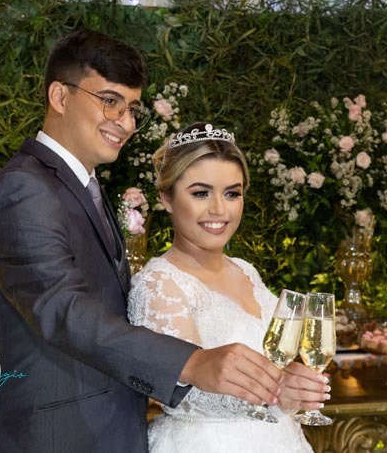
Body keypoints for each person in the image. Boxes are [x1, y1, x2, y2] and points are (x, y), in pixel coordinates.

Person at [0, 30, 326, 452]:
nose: (126, 122)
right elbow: (62, 309)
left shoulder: (82, 189)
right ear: (60, 97)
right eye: (110, 101)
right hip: (47, 438)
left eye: (133, 109)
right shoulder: (23, 189)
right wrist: (192, 361)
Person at [128, 122, 329, 452]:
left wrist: (297, 382)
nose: (219, 210)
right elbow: (179, 395)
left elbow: (277, 361)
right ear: (166, 198)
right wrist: (277, 395)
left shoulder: (246, 271)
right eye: (200, 193)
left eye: (232, 193)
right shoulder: (159, 283)